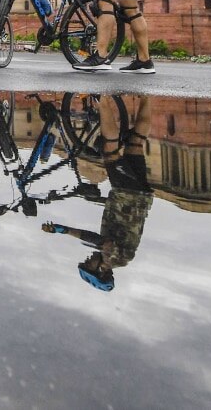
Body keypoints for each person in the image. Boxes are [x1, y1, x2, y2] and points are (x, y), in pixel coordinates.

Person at [42, 94, 154, 291]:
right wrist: (64, 230)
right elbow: (96, 239)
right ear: (101, 271)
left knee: (135, 144)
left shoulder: (121, 258)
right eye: (89, 265)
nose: (88, 259)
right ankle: (102, 99)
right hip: (126, 193)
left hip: (139, 197)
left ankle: (147, 97)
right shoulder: (114, 258)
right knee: (109, 150)